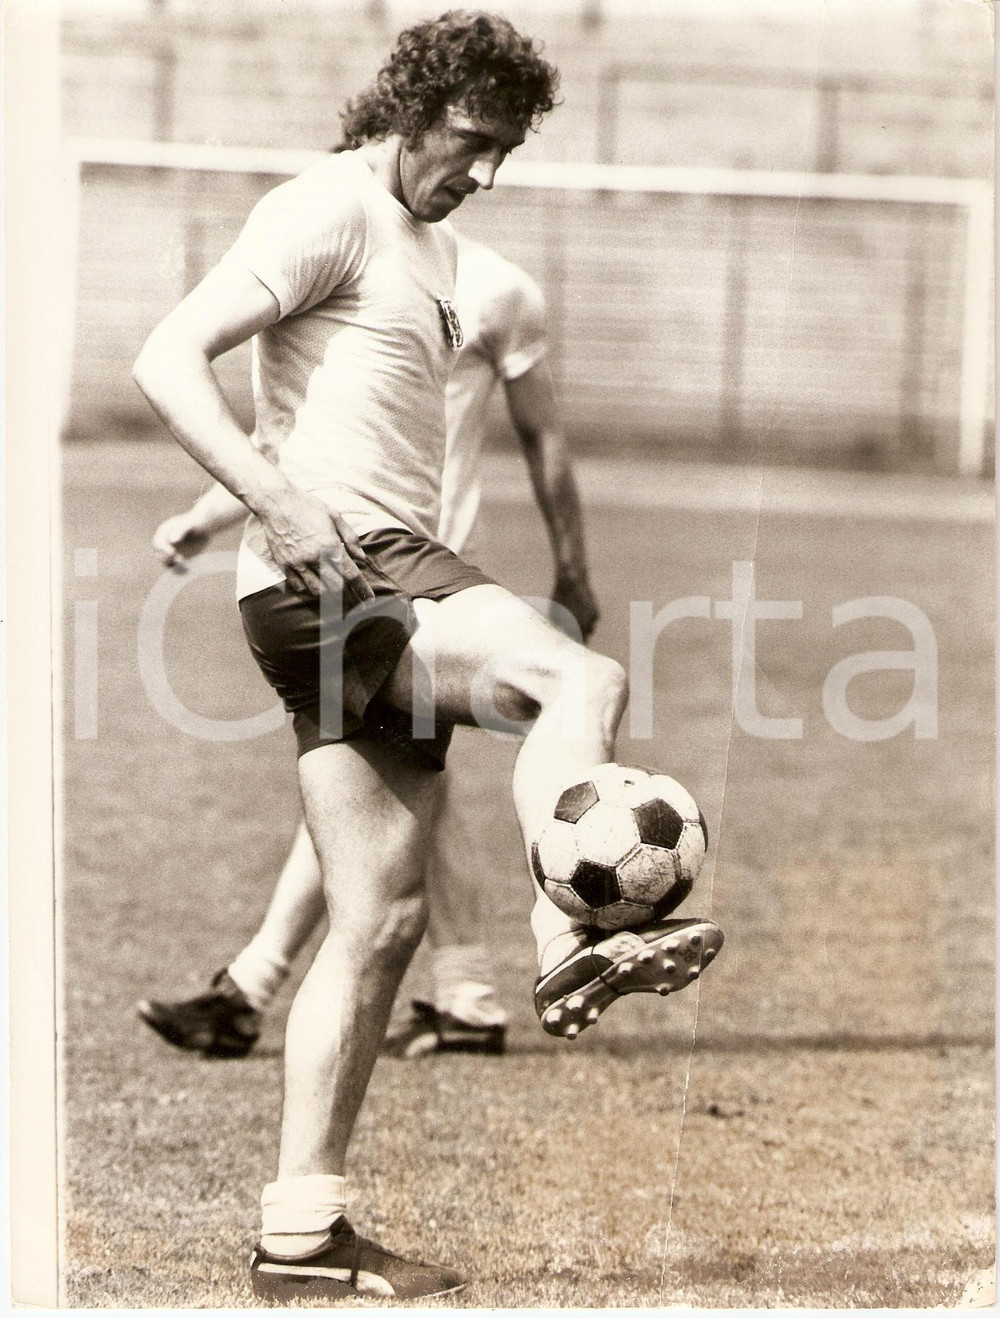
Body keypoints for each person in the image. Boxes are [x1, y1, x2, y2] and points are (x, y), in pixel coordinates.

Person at [132, 11, 723, 1301]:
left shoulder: (439, 250)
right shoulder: (323, 208)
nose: (487, 172)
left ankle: (299, 1234)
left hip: (337, 589)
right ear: (412, 108)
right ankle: (564, 920)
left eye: (507, 152)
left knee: (381, 920)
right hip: (354, 569)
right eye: (473, 143)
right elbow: (165, 359)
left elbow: (322, 409)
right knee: (579, 677)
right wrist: (276, 504)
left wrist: (282, 510)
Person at [137, 230, 602, 1059]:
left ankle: (265, 990)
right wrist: (211, 519)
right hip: (352, 562)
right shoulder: (342, 261)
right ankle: (451, 993)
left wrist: (573, 567)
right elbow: (305, 441)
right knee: (386, 791)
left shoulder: (496, 290)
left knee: (385, 791)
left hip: (420, 575)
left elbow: (545, 438)